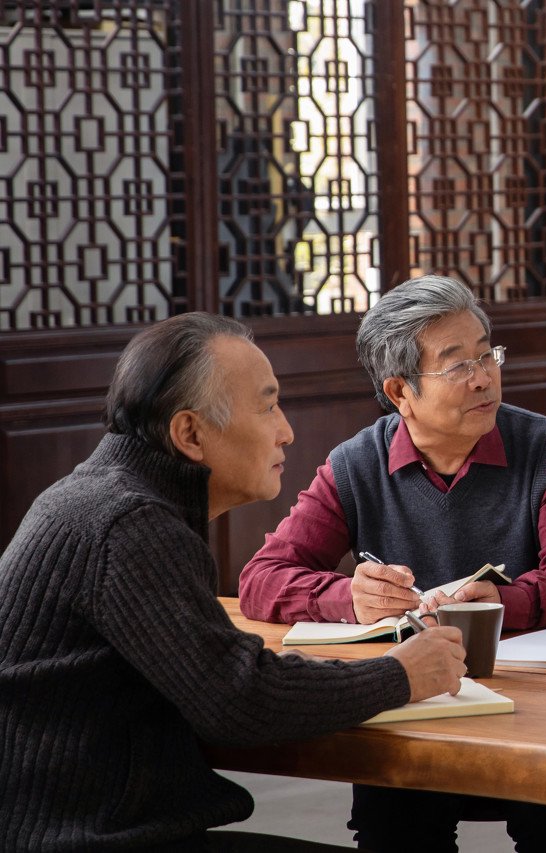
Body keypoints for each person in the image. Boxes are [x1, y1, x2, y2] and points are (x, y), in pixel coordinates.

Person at [0, 313, 468, 852]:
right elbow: (238, 699)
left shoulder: (103, 500)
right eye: (267, 406)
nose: (286, 430)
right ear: (190, 433)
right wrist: (400, 674)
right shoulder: (128, 525)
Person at [238, 275, 546, 852]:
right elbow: (262, 578)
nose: (485, 376)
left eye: (487, 353)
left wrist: (500, 604)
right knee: (396, 828)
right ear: (400, 392)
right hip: (413, 699)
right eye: (456, 364)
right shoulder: (357, 464)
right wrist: (351, 598)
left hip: (542, 702)